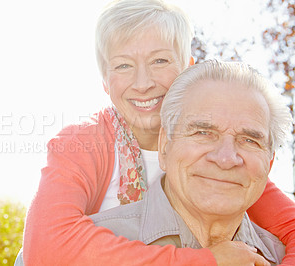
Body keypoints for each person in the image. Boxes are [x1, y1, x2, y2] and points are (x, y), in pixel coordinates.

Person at [19, 0, 295, 265]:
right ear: (104, 79)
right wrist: (205, 261)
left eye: (160, 61)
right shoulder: (83, 143)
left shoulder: (220, 157)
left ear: (188, 68)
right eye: (123, 65)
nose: (143, 83)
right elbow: (45, 245)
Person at [90, 59, 292, 266]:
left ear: (270, 163)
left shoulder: (283, 256)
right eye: (203, 132)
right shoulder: (87, 250)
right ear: (165, 146)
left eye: (249, 140)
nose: (225, 159)